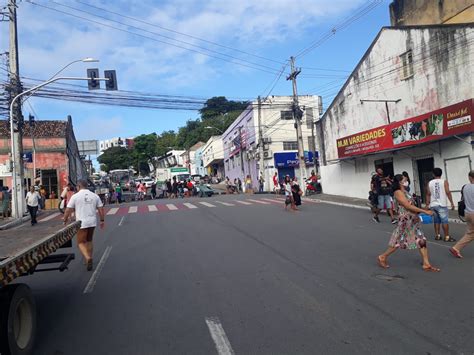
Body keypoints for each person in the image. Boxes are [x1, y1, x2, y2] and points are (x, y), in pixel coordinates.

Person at [377, 174, 439, 272]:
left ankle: (426, 264)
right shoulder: (398, 192)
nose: (407, 181)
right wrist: (424, 211)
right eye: (405, 179)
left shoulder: (405, 191)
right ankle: (383, 256)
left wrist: (418, 213)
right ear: (400, 182)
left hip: (413, 219)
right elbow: (407, 206)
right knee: (398, 241)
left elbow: (412, 205)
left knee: (421, 240)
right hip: (405, 220)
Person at [64, 179, 105, 271]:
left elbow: (68, 210)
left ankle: (87, 258)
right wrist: (102, 220)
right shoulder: (94, 196)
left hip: (82, 223)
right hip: (92, 221)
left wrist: (65, 219)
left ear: (78, 186)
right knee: (89, 240)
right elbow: (101, 209)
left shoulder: (75, 196)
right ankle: (89, 258)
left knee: (80, 242)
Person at [426, 167, 455, 242]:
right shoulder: (444, 182)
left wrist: (427, 204)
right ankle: (447, 236)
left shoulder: (430, 183)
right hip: (442, 204)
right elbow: (448, 192)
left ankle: (437, 235)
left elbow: (428, 194)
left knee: (436, 221)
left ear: (433, 174)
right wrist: (452, 202)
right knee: (444, 221)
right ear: (441, 174)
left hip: (433, 205)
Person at [449, 171, 474, 258]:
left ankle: (456, 248)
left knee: (470, 234)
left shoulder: (465, 187)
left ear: (470, 177)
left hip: (467, 213)